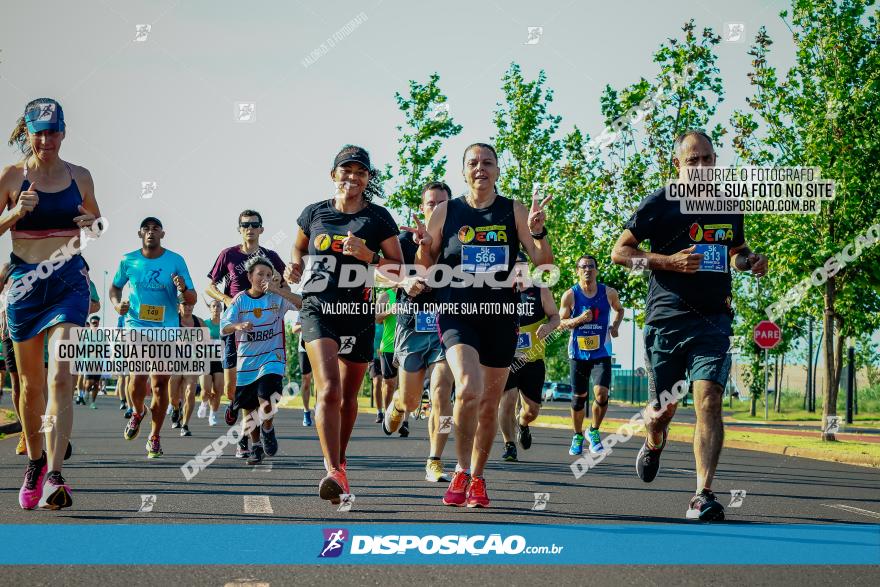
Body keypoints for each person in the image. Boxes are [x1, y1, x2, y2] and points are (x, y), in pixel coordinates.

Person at [611, 129, 768, 521]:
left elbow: (735, 251)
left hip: (713, 320)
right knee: (663, 410)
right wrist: (668, 261)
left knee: (710, 399)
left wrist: (750, 262)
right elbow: (620, 253)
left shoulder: (729, 204)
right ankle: (654, 436)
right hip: (666, 319)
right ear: (677, 164)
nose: (700, 167)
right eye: (692, 160)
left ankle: (702, 494)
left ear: (716, 162)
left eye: (707, 159)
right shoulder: (660, 203)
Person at [412, 143, 553, 508]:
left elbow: (542, 264)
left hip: (502, 317)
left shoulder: (514, 210)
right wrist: (425, 246)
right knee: (470, 389)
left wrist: (538, 233)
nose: (480, 168)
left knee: (490, 404)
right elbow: (426, 267)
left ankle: (477, 477)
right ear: (463, 172)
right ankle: (459, 469)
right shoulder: (446, 211)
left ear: (497, 170)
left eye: (487, 162)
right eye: (473, 163)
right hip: (457, 312)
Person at [285, 144, 402, 504]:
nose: (353, 177)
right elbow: (298, 249)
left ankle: (341, 463)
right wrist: (296, 266)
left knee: (350, 397)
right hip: (318, 309)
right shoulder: (314, 213)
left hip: (359, 315)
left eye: (360, 172)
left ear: (368, 178)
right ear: (333, 174)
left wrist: (370, 257)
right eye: (346, 170)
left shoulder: (378, 218)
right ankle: (332, 470)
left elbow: (399, 268)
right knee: (329, 390)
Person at [0, 98, 102, 509]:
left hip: (68, 282)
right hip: (25, 284)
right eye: (39, 132)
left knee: (61, 376)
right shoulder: (10, 177)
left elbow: (97, 224)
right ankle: (36, 462)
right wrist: (13, 215)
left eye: (53, 131)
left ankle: (57, 475)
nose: (47, 139)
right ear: (27, 132)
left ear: (64, 131)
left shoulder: (81, 176)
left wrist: (89, 225)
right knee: (30, 386)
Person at [383, 181, 455, 481]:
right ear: (422, 208)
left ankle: (435, 460)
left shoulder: (457, 239)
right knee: (412, 401)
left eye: (443, 204)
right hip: (411, 325)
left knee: (441, 392)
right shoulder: (403, 239)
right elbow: (378, 272)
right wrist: (402, 282)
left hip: (447, 325)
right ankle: (399, 404)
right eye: (431, 204)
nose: (436, 208)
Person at [110, 216, 197, 458]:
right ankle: (138, 412)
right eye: (146, 229)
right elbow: (115, 287)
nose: (150, 232)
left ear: (162, 234)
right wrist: (117, 305)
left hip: (165, 329)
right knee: (137, 380)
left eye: (155, 229)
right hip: (135, 326)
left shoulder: (175, 261)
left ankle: (155, 436)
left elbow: (192, 298)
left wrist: (182, 288)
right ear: (140, 234)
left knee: (159, 386)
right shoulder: (128, 260)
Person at [206, 210, 286, 456]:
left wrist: (279, 288)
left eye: (254, 225)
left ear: (261, 229)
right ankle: (237, 405)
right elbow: (210, 287)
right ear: (239, 229)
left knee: (260, 390)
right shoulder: (228, 255)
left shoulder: (270, 256)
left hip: (264, 327)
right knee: (233, 389)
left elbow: (284, 284)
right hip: (236, 324)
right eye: (245, 225)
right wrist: (227, 300)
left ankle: (248, 438)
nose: (249, 228)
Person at [223, 257, 301, 465]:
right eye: (260, 274)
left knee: (266, 399)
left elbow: (302, 304)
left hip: (272, 359)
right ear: (249, 277)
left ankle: (268, 428)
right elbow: (224, 326)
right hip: (247, 363)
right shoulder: (240, 300)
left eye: (269, 275)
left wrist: (279, 290)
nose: (265, 279)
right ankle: (255, 446)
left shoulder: (276, 298)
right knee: (249, 409)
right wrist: (237, 326)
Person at [559, 254, 624, 455]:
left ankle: (593, 431)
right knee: (579, 399)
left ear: (596, 270)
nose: (587, 270)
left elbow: (619, 310)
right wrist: (579, 319)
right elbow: (562, 323)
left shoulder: (609, 293)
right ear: (577, 270)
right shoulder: (570, 295)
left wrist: (615, 325)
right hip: (578, 354)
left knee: (602, 394)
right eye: (583, 267)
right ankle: (578, 435)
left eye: (591, 266)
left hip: (601, 352)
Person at [498, 253, 560, 462]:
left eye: (521, 266)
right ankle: (509, 444)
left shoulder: (540, 289)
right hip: (507, 357)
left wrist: (549, 326)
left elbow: (556, 317)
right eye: (513, 267)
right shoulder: (500, 292)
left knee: (532, 410)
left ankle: (523, 424)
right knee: (507, 399)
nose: (518, 270)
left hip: (532, 358)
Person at [169, 301, 203, 437]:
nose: (188, 307)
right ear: (179, 306)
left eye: (190, 305)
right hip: (174, 361)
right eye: (185, 304)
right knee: (173, 396)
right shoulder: (172, 320)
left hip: (191, 361)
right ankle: (176, 408)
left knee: (190, 392)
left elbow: (206, 342)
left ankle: (185, 424)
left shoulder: (198, 322)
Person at [376, 287, 406, 437]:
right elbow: (376, 318)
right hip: (389, 346)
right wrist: (390, 311)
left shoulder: (412, 293)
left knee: (406, 385)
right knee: (389, 384)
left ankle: (403, 420)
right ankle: (389, 416)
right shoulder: (386, 296)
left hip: (408, 345)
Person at [197, 298, 224, 426]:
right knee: (206, 391)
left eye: (218, 306)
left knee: (218, 390)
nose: (216, 308)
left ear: (221, 309)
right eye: (213, 306)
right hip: (205, 359)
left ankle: (213, 415)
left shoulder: (225, 324)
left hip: (219, 360)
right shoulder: (205, 324)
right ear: (210, 308)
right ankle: (203, 403)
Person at [290, 319, 313, 426]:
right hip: (304, 349)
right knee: (306, 379)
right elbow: (294, 329)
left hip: (321, 347)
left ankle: (320, 407)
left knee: (321, 380)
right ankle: (306, 411)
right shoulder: (303, 308)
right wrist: (307, 324)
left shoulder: (325, 306)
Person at [82, 315, 103, 409]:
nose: (94, 324)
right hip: (88, 361)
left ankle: (93, 403)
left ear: (98, 323)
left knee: (96, 383)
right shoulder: (85, 334)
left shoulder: (101, 334)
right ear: (90, 323)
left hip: (98, 361)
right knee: (90, 381)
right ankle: (86, 392)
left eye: (96, 323)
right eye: (93, 322)